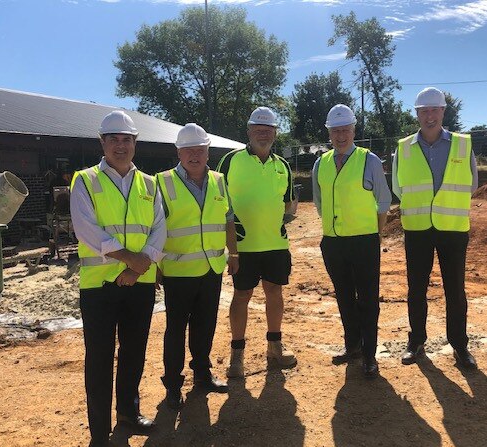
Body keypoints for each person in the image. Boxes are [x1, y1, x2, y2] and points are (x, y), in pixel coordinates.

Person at [70, 110, 166, 447]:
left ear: (135, 143)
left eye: (127, 139)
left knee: (133, 352)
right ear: (102, 143)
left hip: (137, 285)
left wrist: (141, 267)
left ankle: (128, 412)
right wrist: (132, 260)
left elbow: (159, 228)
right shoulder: (85, 180)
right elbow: (87, 230)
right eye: (114, 139)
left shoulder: (150, 184)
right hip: (99, 286)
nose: (120, 146)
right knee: (98, 359)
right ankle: (98, 436)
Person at [393, 87, 479, 369]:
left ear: (443, 111)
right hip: (418, 228)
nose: (429, 116)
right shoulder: (403, 147)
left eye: (435, 110)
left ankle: (459, 345)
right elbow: (397, 187)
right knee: (416, 288)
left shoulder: (463, 145)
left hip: (452, 228)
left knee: (455, 289)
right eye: (424, 111)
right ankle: (416, 341)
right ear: (417, 114)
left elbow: (473, 184)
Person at [156, 123, 239, 410]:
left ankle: (202, 375)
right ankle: (173, 385)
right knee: (176, 330)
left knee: (205, 326)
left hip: (211, 268)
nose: (194, 155)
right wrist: (155, 264)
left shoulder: (218, 180)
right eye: (188, 150)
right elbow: (154, 228)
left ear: (208, 152)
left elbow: (228, 219)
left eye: (200, 150)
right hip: (177, 272)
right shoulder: (162, 183)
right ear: (178, 152)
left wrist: (234, 253)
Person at [312, 104, 392, 379]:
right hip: (333, 243)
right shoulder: (320, 163)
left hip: (364, 242)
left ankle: (370, 355)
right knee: (345, 298)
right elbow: (320, 203)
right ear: (329, 133)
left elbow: (384, 201)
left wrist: (375, 234)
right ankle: (353, 346)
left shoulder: (368, 160)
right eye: (335, 130)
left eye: (345, 129)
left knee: (367, 300)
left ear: (354, 130)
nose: (340, 135)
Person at [216, 106, 297, 378]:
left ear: (275, 133)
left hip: (275, 245)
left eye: (268, 129)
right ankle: (236, 355)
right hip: (243, 247)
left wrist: (280, 220)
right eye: (258, 129)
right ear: (249, 131)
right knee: (242, 296)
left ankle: (275, 346)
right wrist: (230, 242)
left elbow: (290, 203)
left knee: (275, 293)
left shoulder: (282, 165)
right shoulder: (230, 161)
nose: (263, 133)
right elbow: (216, 200)